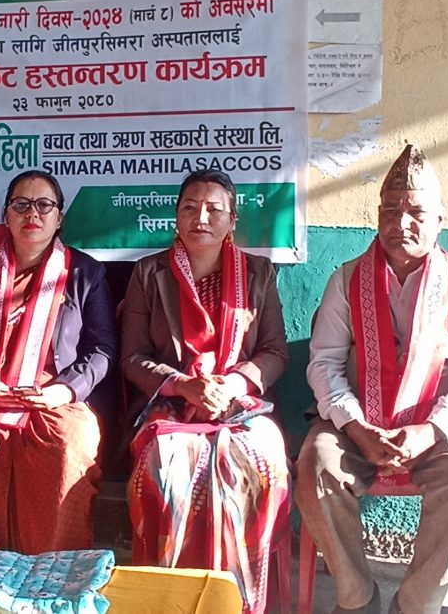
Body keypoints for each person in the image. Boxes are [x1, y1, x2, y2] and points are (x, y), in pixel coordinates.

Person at [298, 145, 448, 614]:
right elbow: (324, 364)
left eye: (416, 213)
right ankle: (357, 597)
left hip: (439, 426)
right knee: (316, 465)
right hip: (357, 423)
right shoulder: (346, 280)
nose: (401, 223)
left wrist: (431, 430)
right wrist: (355, 427)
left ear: (439, 221)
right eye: (390, 211)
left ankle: (414, 604)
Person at [120, 169, 289, 614]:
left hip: (239, 406)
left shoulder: (258, 274)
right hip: (171, 406)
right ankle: (169, 597)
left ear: (232, 220)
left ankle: (238, 597)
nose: (201, 218)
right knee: (166, 468)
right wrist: (184, 385)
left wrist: (233, 382)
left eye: (215, 209)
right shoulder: (149, 273)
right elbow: (132, 358)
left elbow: (275, 352)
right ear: (176, 217)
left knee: (262, 465)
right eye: (191, 208)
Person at [0, 169, 116, 554]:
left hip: (53, 397)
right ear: (6, 215)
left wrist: (66, 390)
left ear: (59, 217)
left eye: (44, 205)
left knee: (69, 449)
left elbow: (101, 350)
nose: (33, 213)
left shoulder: (85, 273)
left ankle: (54, 566)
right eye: (21, 205)